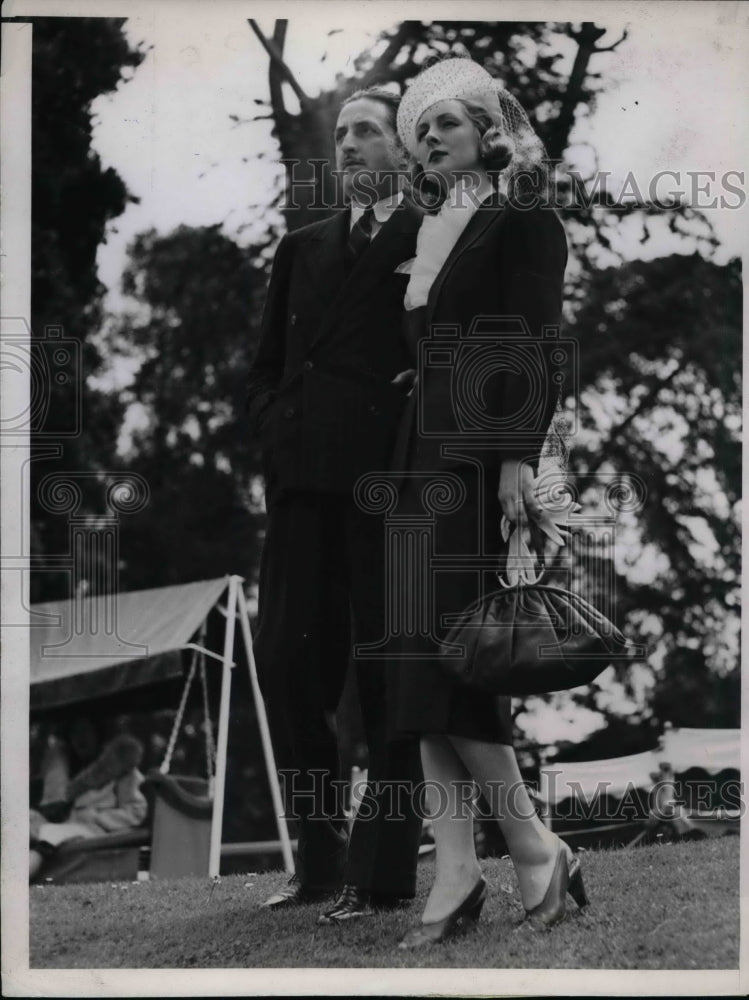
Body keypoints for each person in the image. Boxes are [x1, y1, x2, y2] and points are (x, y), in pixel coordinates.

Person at [387, 55, 587, 948]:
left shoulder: (522, 213)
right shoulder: (433, 226)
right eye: (421, 129)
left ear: (489, 133)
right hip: (413, 462)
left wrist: (516, 460)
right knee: (419, 664)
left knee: (461, 656)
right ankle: (459, 867)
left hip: (475, 460)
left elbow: (538, 344)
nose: (430, 138)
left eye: (447, 125)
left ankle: (531, 845)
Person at [246, 87, 424, 922]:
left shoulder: (434, 236)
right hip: (300, 490)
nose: (347, 146)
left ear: (404, 149)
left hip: (390, 488)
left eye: (366, 132)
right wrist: (273, 437)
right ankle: (315, 863)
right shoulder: (299, 247)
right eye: (341, 133)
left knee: (390, 678)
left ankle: (381, 873)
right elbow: (267, 363)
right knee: (285, 667)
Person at [30, 720, 147, 880]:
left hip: (97, 831)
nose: (80, 738)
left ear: (98, 733)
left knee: (48, 835)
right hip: (70, 827)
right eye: (74, 732)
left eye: (85, 730)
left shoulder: (122, 768)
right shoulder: (69, 769)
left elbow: (137, 812)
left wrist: (96, 817)